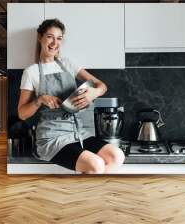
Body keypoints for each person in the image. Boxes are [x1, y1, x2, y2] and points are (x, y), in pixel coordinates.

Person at [18, 19, 125, 174]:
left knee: (117, 156)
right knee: (96, 166)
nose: (55, 42)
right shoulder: (31, 72)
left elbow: (102, 86)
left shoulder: (67, 64)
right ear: (40, 37)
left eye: (59, 38)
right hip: (52, 137)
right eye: (50, 37)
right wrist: (39, 100)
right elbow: (22, 113)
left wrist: (93, 93)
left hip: (78, 131)